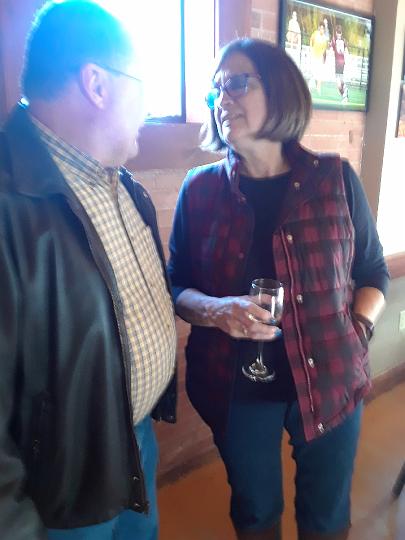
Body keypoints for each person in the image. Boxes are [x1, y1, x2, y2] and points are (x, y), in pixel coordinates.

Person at [168, 38, 389, 540]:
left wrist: (356, 330)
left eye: (236, 83)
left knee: (326, 518)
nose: (222, 99)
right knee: (255, 513)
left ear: (280, 89)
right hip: (236, 387)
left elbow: (374, 272)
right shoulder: (199, 191)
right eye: (216, 90)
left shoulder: (335, 180)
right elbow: (177, 284)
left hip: (330, 380)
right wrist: (216, 310)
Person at [0, 2, 177, 539]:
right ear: (97, 84)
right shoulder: (9, 203)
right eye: (142, 86)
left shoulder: (124, 185)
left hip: (134, 444)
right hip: (61, 491)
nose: (147, 107)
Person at [331, 25, 350, 104]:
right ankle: (345, 96)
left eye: (339, 32)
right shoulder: (342, 40)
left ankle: (345, 93)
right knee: (340, 81)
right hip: (341, 63)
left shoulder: (334, 40)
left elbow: (331, 49)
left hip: (339, 63)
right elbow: (346, 51)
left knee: (338, 82)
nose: (339, 34)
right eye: (338, 32)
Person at [309, 23, 328, 94]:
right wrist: (311, 49)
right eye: (321, 28)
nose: (322, 30)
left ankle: (318, 88)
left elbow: (324, 49)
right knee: (313, 73)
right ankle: (309, 88)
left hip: (320, 58)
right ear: (319, 28)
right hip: (314, 56)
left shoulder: (325, 38)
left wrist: (324, 59)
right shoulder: (315, 33)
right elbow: (311, 40)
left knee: (320, 74)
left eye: (323, 29)